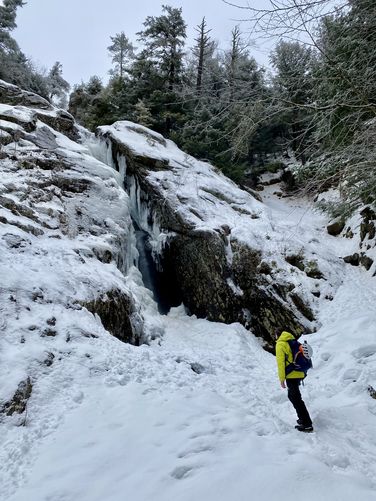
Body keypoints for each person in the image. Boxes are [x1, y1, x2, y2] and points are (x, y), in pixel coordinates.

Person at [274, 327, 313, 432]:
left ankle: (307, 424)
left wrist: (282, 379)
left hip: (291, 374)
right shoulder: (293, 341)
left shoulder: (280, 344)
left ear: (278, 334)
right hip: (299, 372)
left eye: (275, 335)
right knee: (293, 396)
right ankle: (303, 419)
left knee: (296, 399)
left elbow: (281, 363)